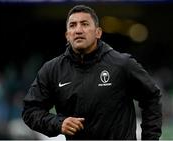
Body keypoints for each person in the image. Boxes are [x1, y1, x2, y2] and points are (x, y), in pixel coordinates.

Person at [22, 5, 162, 140]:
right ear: (67, 35)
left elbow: (152, 97)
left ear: (98, 32)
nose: (78, 30)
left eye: (84, 24)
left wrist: (150, 139)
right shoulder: (52, 70)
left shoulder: (122, 64)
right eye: (73, 25)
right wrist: (59, 124)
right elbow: (30, 111)